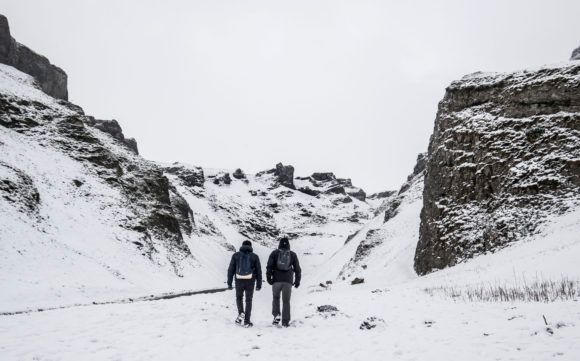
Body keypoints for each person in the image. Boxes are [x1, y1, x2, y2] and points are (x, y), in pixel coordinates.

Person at [266, 236, 301, 327]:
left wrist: (269, 278)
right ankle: (285, 322)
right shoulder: (292, 255)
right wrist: (297, 281)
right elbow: (297, 269)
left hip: (276, 281)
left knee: (276, 298)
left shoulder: (274, 253)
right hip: (288, 281)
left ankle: (276, 315)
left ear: (279, 244)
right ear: (289, 245)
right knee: (286, 301)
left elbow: (269, 266)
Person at [227, 240, 262, 327]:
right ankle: (247, 321)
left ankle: (241, 312)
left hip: (239, 280)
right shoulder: (255, 256)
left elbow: (230, 270)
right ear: (251, 247)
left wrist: (229, 283)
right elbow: (259, 271)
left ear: (242, 246)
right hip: (250, 280)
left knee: (239, 298)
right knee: (248, 300)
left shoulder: (236, 255)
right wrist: (259, 284)